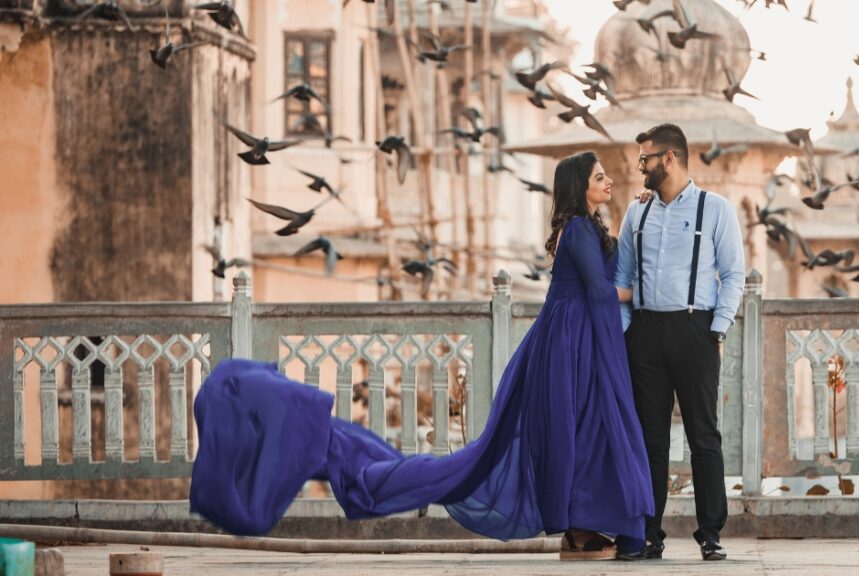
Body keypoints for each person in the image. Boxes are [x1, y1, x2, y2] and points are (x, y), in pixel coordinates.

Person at [189, 151, 654, 561]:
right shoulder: (576, 229)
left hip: (578, 338)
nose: (607, 182)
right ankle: (576, 530)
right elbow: (596, 289)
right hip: (570, 341)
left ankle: (580, 529)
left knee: (583, 431)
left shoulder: (589, 227)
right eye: (598, 178)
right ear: (580, 187)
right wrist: (646, 296)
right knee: (572, 432)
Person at [615, 123, 746, 561]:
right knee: (649, 438)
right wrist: (625, 330)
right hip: (647, 332)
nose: (640, 167)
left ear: (668, 158)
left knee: (703, 436)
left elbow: (733, 275)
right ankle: (648, 532)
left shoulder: (716, 209)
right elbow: (623, 277)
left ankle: (710, 532)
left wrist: (717, 329)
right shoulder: (637, 212)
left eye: (645, 159)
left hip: (696, 329)